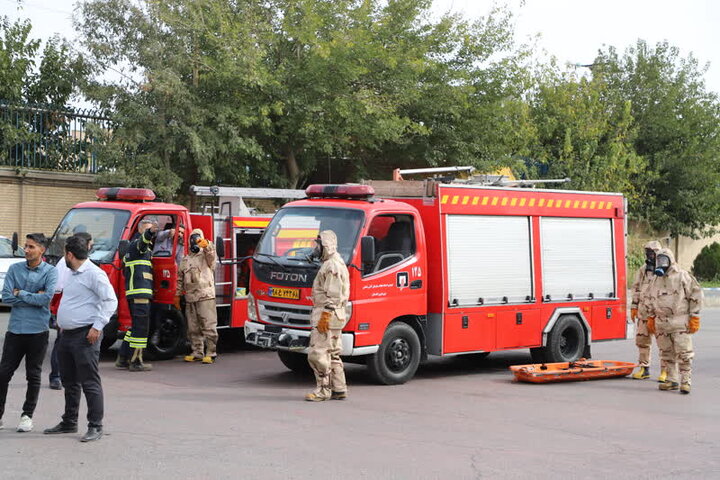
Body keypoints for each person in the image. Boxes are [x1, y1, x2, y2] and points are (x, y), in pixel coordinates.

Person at [44, 235, 117, 442]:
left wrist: (97, 326)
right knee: (69, 381)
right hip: (67, 335)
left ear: (70, 254)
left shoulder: (94, 274)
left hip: (85, 336)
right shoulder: (71, 272)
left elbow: (111, 301)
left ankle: (95, 425)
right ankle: (69, 421)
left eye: (64, 254)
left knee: (89, 382)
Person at [0, 233, 57, 432]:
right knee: (3, 373)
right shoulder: (15, 269)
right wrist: (33, 296)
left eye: (31, 246)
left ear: (42, 250)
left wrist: (21, 293)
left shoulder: (50, 272)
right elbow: (6, 296)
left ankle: (27, 416)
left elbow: (46, 299)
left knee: (33, 376)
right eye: (25, 246)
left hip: (38, 332)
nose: (26, 250)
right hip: (15, 330)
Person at [643, 248, 703, 394]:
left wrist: (694, 316)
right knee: (666, 353)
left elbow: (696, 293)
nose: (662, 263)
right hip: (662, 323)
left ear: (670, 260)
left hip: (679, 322)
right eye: (659, 260)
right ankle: (672, 379)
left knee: (684, 353)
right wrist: (650, 316)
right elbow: (649, 298)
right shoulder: (655, 279)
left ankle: (685, 381)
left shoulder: (682, 276)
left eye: (664, 260)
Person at [305, 230, 350, 402]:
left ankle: (323, 390)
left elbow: (334, 294)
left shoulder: (332, 265)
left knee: (318, 353)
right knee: (332, 353)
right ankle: (339, 388)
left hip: (327, 314)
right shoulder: (333, 263)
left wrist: (325, 315)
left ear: (326, 246)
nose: (314, 249)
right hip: (333, 315)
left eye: (317, 245)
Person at [49, 231, 94, 390]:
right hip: (65, 302)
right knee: (61, 341)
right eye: (90, 244)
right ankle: (56, 376)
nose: (91, 247)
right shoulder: (66, 262)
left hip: (71, 304)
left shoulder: (85, 264)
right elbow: (59, 286)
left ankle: (69, 376)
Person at [115, 219, 157, 372]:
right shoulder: (137, 246)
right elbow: (143, 241)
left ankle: (123, 357)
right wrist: (150, 232)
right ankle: (136, 361)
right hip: (140, 292)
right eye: (146, 229)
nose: (149, 233)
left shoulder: (135, 249)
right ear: (140, 230)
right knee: (141, 329)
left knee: (135, 327)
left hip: (137, 292)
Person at [176, 228, 218, 364]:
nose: (194, 240)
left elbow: (211, 254)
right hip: (190, 298)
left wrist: (205, 244)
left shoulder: (206, 256)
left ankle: (211, 352)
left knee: (208, 325)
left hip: (205, 296)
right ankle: (197, 352)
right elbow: (179, 279)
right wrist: (177, 295)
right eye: (192, 238)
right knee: (193, 328)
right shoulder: (185, 260)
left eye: (197, 237)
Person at [629, 240, 667, 381]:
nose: (649, 256)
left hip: (659, 314)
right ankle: (644, 369)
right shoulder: (643, 269)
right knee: (642, 341)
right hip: (644, 312)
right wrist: (634, 306)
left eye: (652, 253)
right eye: (648, 253)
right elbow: (636, 288)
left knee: (664, 344)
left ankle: (665, 372)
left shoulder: (666, 270)